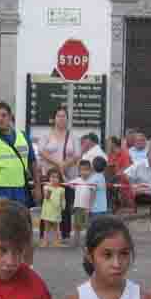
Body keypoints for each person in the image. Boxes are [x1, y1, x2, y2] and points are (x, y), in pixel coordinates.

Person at [0, 101, 36, 211]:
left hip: (19, 192)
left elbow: (33, 163)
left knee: (18, 225)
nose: (1, 119)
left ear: (10, 117)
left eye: (4, 115)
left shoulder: (22, 136)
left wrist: (37, 187)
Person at [39, 106, 80, 243]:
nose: (61, 119)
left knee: (65, 204)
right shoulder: (47, 135)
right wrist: (58, 164)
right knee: (48, 204)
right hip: (50, 176)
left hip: (68, 176)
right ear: (54, 118)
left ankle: (65, 233)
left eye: (64, 116)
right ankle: (44, 234)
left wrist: (65, 165)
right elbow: (42, 152)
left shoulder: (73, 136)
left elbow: (77, 155)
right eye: (59, 116)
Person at [38, 167, 66, 247]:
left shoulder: (62, 189)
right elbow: (46, 197)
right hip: (47, 210)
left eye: (56, 177)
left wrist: (63, 206)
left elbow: (63, 199)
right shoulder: (46, 187)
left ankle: (57, 242)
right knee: (46, 228)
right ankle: (45, 241)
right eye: (52, 177)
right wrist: (49, 188)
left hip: (56, 211)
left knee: (56, 228)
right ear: (49, 178)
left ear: (60, 179)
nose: (54, 179)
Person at [70, 158, 94, 237]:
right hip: (78, 207)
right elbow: (68, 183)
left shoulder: (92, 181)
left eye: (87, 169)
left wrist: (90, 207)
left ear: (90, 170)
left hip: (87, 208)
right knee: (77, 226)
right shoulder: (77, 180)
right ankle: (76, 242)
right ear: (79, 171)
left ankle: (87, 243)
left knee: (87, 226)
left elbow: (93, 195)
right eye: (82, 170)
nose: (84, 172)